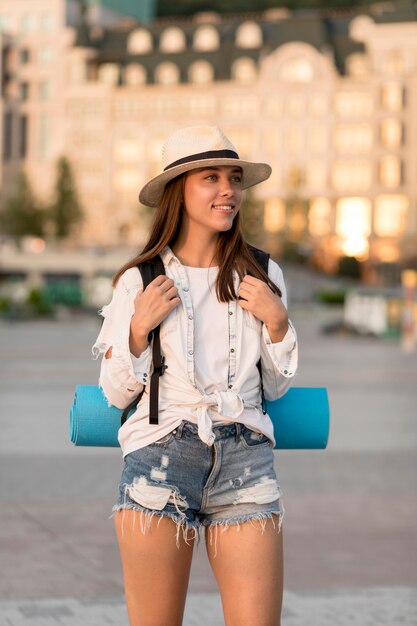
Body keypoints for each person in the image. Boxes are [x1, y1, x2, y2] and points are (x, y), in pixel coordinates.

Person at [93, 125, 298, 626]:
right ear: (176, 192)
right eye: (211, 178)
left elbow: (275, 387)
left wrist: (277, 321)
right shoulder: (138, 280)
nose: (228, 190)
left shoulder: (263, 275)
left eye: (233, 178)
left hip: (244, 462)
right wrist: (138, 329)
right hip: (160, 460)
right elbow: (116, 390)